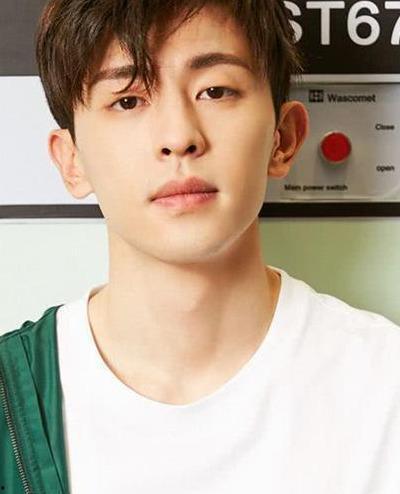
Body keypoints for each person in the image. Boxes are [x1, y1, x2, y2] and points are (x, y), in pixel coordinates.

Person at [1, 0, 400, 492]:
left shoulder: (385, 388)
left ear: (284, 138)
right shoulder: (11, 396)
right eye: (128, 101)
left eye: (215, 90)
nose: (178, 137)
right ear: (71, 162)